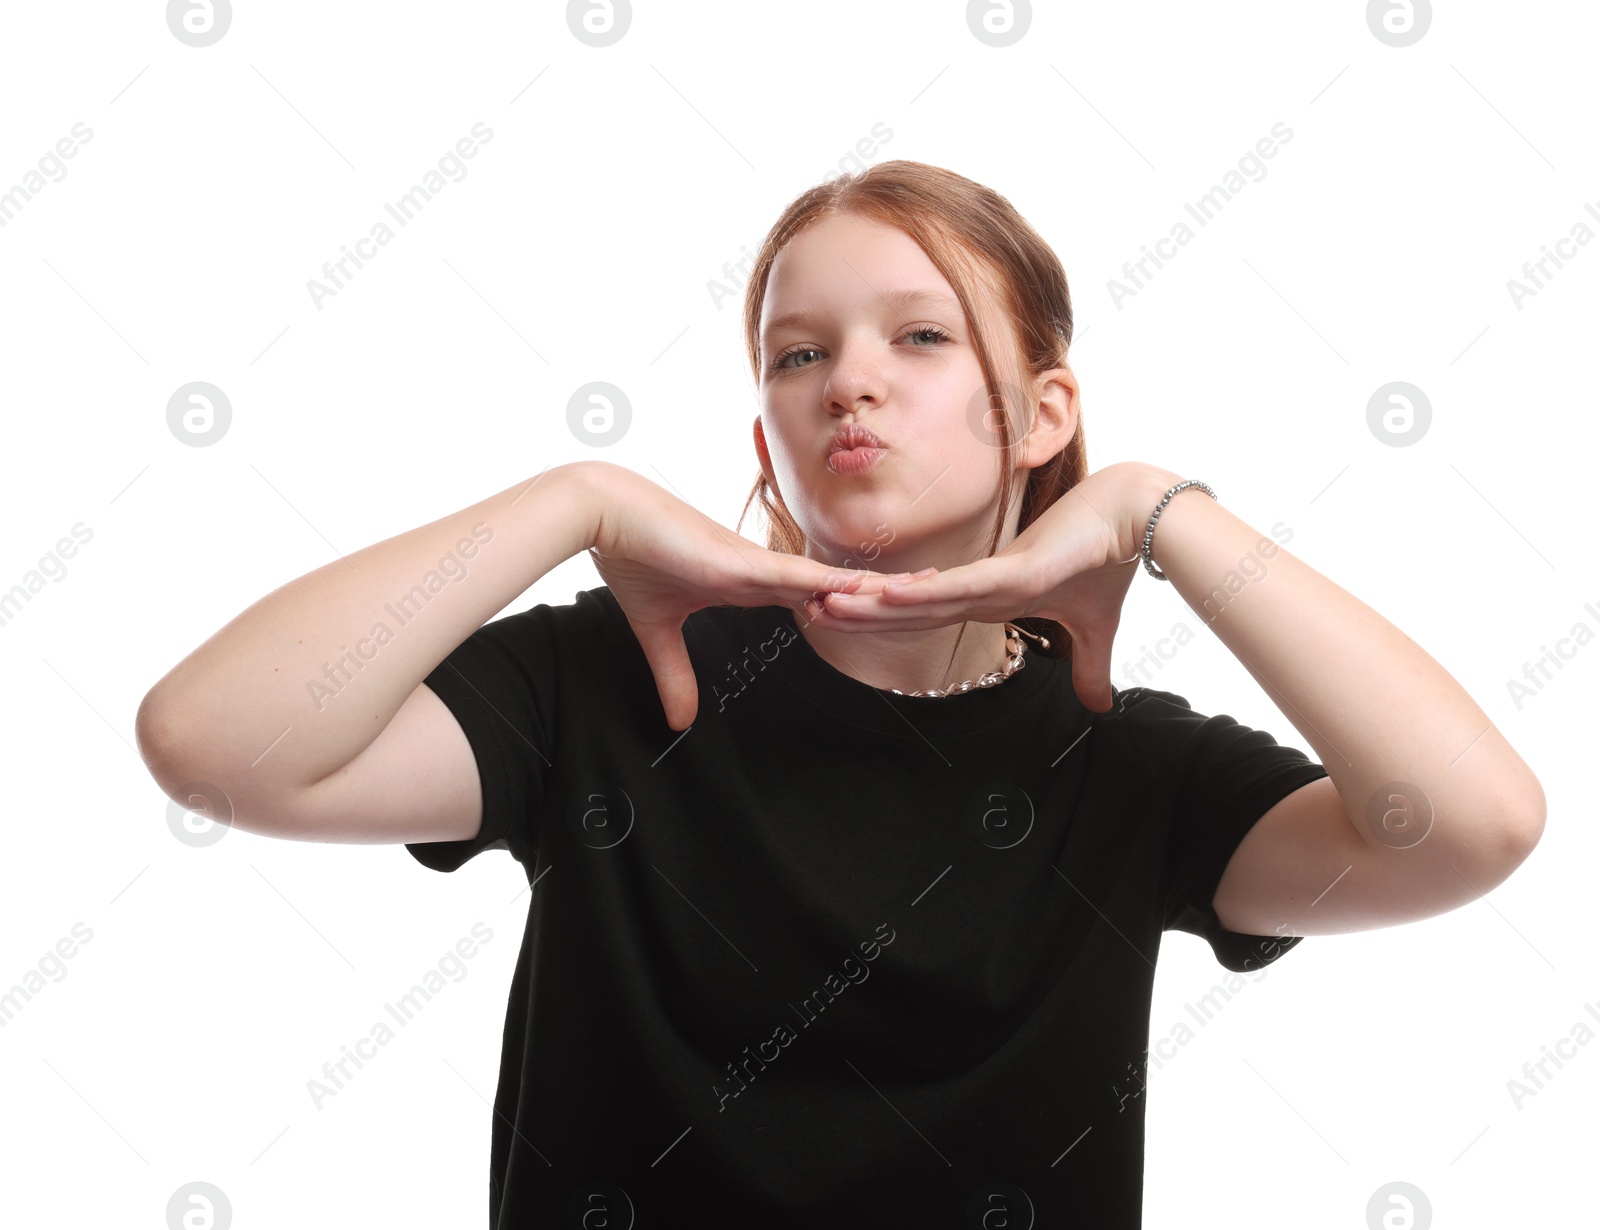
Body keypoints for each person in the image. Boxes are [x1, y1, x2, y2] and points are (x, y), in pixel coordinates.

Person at [135, 160, 1544, 1227]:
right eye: (800, 353)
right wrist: (578, 497)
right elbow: (214, 747)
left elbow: (1475, 823)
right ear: (767, 430)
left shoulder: (1130, 766)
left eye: (919, 339)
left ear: (1041, 413)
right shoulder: (606, 685)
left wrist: (1157, 512)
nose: (848, 383)